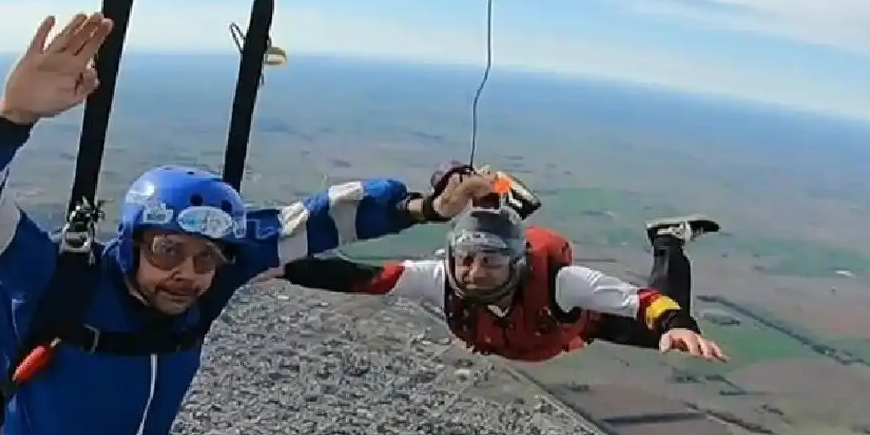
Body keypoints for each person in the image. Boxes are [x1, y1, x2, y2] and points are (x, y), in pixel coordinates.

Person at [0, 12, 508, 435]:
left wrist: (425, 209)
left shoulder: (211, 282)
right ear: (133, 241)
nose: (188, 274)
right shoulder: (64, 277)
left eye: (206, 258)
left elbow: (315, 222)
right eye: (169, 250)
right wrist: (9, 118)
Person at [276, 164, 728, 364]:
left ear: (516, 265)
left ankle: (668, 241)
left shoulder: (562, 283)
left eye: (489, 263)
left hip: (580, 323)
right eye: (465, 260)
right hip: (545, 332)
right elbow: (364, 277)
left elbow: (639, 300)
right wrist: (279, 265)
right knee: (483, 228)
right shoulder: (442, 279)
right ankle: (500, 197)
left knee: (660, 337)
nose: (472, 273)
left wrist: (675, 322)